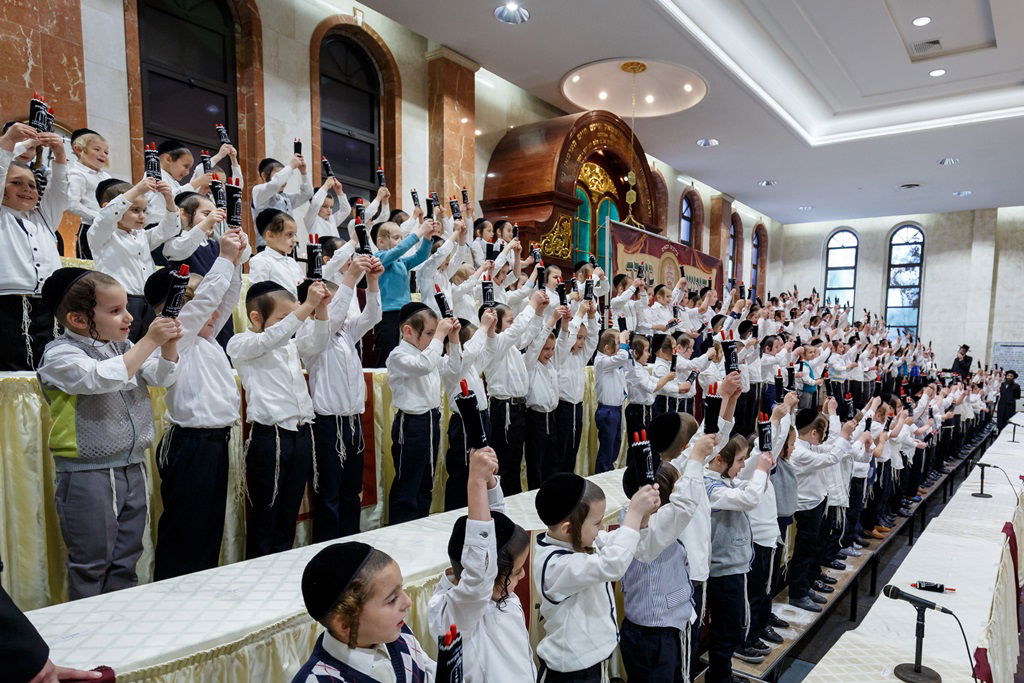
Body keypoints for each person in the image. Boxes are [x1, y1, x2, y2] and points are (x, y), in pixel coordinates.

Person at [37, 267, 181, 599]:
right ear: (77, 319)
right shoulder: (60, 354)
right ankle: (89, 637)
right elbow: (101, 378)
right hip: (88, 474)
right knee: (92, 564)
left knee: (126, 559)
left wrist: (169, 346)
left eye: (126, 308)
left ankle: (121, 627)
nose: (128, 317)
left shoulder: (123, 347)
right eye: (115, 311)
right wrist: (149, 341)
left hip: (132, 466)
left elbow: (161, 376)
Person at [150, 229, 246, 580]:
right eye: (193, 302)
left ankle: (200, 587)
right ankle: (172, 592)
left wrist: (235, 262)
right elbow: (207, 303)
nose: (211, 312)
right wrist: (223, 258)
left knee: (208, 527)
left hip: (216, 442)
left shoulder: (204, 338)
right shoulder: (178, 337)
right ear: (172, 308)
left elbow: (223, 299)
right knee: (184, 528)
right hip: (189, 443)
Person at [227, 279, 331, 558]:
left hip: (300, 432)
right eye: (283, 318)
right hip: (270, 436)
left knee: (289, 509)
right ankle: (260, 570)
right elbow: (270, 338)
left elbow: (319, 341)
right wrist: (306, 306)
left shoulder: (288, 345)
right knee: (266, 513)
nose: (291, 324)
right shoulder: (241, 343)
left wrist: (320, 310)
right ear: (255, 317)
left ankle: (282, 566)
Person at [533, 472, 660, 681]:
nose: (601, 528)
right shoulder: (554, 565)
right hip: (572, 672)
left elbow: (618, 542)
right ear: (568, 528)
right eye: (597, 523)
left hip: (591, 664)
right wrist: (634, 515)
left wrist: (642, 517)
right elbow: (613, 564)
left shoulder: (581, 540)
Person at [429, 447, 534, 682]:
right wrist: (475, 482)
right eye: (516, 572)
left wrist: (489, 483)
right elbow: (480, 570)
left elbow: (496, 525)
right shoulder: (457, 611)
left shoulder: (498, 587)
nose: (523, 574)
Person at [299, 254, 383, 540]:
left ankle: (351, 542)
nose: (340, 310)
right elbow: (330, 320)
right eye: (330, 301)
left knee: (351, 492)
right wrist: (350, 278)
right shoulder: (309, 334)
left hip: (352, 422)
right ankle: (328, 548)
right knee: (329, 493)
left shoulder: (346, 334)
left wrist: (371, 281)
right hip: (327, 423)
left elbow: (373, 316)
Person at [293, 542, 435, 682]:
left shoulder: (400, 634)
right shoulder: (318, 679)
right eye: (392, 599)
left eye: (401, 588)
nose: (408, 602)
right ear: (345, 624)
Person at [0, 123, 67, 370]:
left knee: (48, 370)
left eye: (32, 185)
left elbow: (60, 191)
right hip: (7, 304)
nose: (27, 190)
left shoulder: (44, 218)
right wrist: (8, 142)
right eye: (16, 183)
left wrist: (60, 154)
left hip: (47, 306)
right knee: (13, 371)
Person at [703, 436, 771, 676]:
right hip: (723, 570)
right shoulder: (710, 487)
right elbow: (750, 498)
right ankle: (719, 677)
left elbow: (747, 484)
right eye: (740, 460)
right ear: (720, 459)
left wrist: (759, 464)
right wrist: (761, 470)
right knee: (727, 630)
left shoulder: (723, 479)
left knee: (730, 628)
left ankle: (722, 673)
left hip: (733, 567)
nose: (743, 465)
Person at [386, 302, 459, 523]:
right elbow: (423, 365)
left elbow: (455, 368)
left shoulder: (429, 353)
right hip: (411, 424)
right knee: (408, 482)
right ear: (408, 331)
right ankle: (401, 530)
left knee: (425, 481)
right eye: (428, 333)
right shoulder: (398, 355)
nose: (434, 337)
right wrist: (439, 336)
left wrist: (453, 339)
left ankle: (420, 525)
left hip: (431, 420)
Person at [89, 176, 182, 341]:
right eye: (135, 210)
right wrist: (138, 189)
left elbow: (169, 229)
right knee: (121, 347)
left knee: (147, 347)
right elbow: (107, 217)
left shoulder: (142, 236)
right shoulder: (101, 235)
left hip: (147, 302)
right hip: (121, 302)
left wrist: (169, 199)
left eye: (144, 211)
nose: (142, 216)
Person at [66, 128, 110, 260]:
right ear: (79, 149)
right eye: (97, 150)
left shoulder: (106, 176)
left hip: (111, 231)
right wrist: (99, 217)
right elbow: (71, 204)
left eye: (106, 152)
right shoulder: (77, 174)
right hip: (90, 229)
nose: (103, 154)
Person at [594, 328, 631, 473]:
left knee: (615, 446)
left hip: (616, 409)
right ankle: (602, 475)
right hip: (607, 411)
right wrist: (623, 342)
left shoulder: (613, 361)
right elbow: (622, 357)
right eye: (618, 343)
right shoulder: (602, 361)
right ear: (607, 348)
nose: (622, 346)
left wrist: (624, 343)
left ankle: (608, 471)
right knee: (607, 449)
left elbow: (626, 360)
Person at [248, 209, 303, 296]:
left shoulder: (292, 262)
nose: (295, 240)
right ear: (270, 235)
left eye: (295, 234)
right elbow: (258, 296)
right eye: (289, 235)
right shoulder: (261, 261)